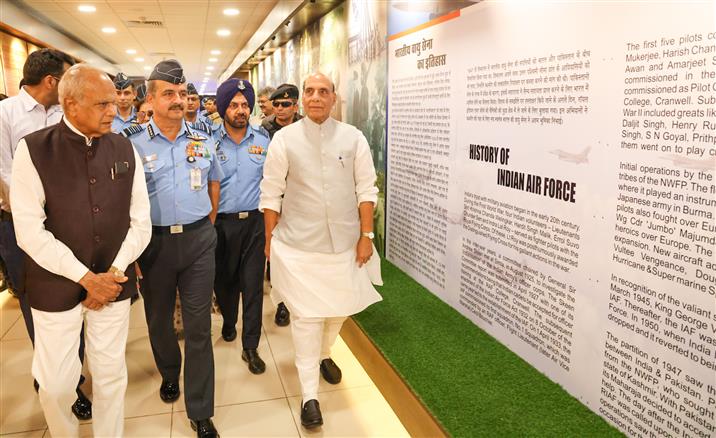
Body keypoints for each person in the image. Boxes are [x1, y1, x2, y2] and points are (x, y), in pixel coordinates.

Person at [10, 63, 151, 437]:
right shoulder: (34, 150)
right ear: (71, 105)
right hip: (53, 288)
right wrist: (86, 278)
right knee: (56, 383)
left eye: (113, 102)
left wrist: (113, 273)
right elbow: (27, 230)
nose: (113, 110)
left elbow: (141, 222)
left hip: (114, 284)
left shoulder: (124, 147)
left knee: (110, 375)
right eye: (102, 104)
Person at [259, 73, 382, 429]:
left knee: (338, 311)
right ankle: (309, 395)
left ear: (333, 98)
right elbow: (270, 192)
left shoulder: (353, 138)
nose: (316, 97)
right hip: (299, 247)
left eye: (323, 92)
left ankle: (325, 354)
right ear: (302, 99)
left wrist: (367, 236)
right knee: (307, 319)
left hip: (345, 245)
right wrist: (269, 240)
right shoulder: (284, 140)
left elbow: (366, 189)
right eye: (309, 91)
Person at [125, 59, 223, 438]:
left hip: (199, 240)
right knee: (159, 319)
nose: (178, 100)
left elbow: (214, 184)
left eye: (182, 93)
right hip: (154, 244)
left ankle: (200, 409)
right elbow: (125, 204)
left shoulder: (202, 137)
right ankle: (169, 372)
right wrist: (133, 253)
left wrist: (207, 226)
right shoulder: (131, 144)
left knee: (199, 326)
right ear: (150, 99)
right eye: (169, 94)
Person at [0, 48, 95, 421]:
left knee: (78, 293)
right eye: (69, 78)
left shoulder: (65, 114)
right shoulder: (5, 115)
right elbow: (6, 173)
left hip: (70, 223)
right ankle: (51, 377)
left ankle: (75, 379)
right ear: (52, 81)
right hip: (20, 226)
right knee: (37, 303)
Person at [212, 78, 270, 374]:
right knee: (224, 282)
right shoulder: (209, 140)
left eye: (245, 105)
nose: (240, 110)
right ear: (224, 109)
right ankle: (228, 319)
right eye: (234, 105)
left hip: (254, 225)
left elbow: (273, 184)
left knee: (252, 285)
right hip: (220, 225)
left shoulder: (263, 140)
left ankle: (251, 346)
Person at [260, 83, 303, 327]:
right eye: (275, 104)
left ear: (295, 106)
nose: (279, 108)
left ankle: (299, 298)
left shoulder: (306, 127)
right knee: (277, 252)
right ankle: (282, 305)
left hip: (299, 200)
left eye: (285, 104)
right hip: (275, 199)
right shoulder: (264, 129)